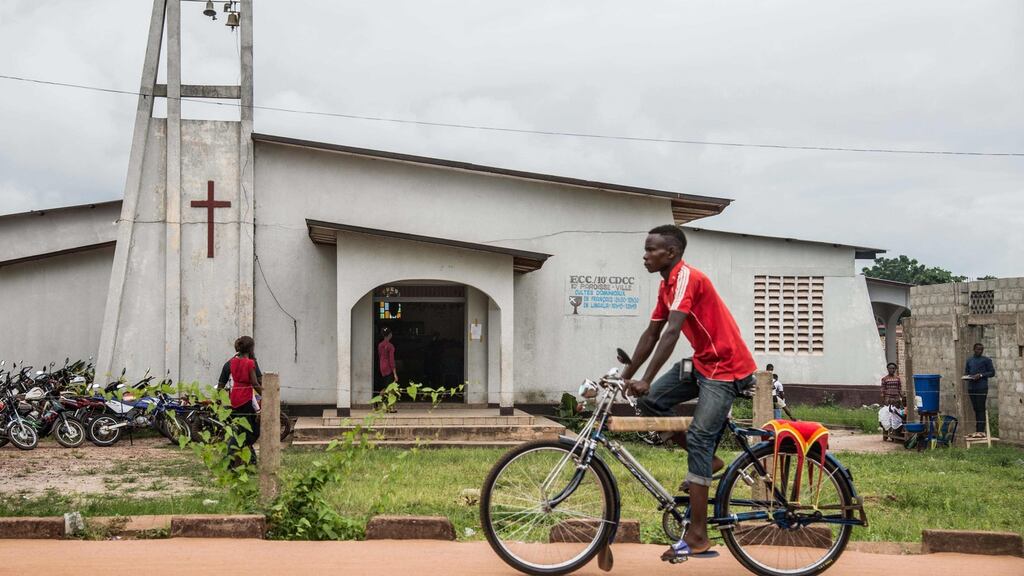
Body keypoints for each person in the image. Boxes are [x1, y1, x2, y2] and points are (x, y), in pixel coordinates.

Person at [622, 225, 756, 562]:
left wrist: (648, 376)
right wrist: (626, 378)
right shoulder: (666, 285)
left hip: (726, 367)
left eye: (651, 249)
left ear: (671, 253)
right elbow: (651, 333)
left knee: (698, 437)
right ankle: (707, 462)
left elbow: (671, 331)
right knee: (650, 402)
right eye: (646, 249)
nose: (645, 255)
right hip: (702, 363)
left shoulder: (686, 278)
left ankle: (698, 535)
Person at [224, 336, 262, 466]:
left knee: (241, 429)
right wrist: (267, 395)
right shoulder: (250, 363)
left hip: (235, 395)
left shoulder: (231, 362)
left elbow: (222, 381)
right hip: (246, 397)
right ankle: (232, 458)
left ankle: (246, 460)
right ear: (251, 348)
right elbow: (255, 383)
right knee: (253, 431)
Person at [964, 343, 995, 437]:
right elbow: (967, 372)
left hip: (981, 388)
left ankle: (981, 431)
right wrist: (967, 377)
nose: (979, 351)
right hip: (972, 388)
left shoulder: (986, 360)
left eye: (981, 350)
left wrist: (981, 375)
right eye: (978, 349)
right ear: (974, 349)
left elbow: (992, 372)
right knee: (976, 408)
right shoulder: (969, 360)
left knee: (981, 408)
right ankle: (977, 430)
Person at [377, 327, 398, 411]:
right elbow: (391, 360)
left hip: (382, 367)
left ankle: (378, 403)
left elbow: (380, 356)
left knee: (386, 387)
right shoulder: (390, 346)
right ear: (390, 335)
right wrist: (395, 373)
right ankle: (390, 407)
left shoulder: (380, 345)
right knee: (391, 388)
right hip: (388, 368)